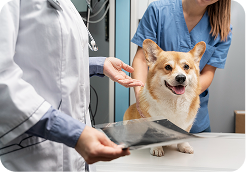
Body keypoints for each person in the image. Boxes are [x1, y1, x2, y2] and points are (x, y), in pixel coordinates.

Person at [0, 0, 144, 172]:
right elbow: (4, 80)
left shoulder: (66, 4)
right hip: (33, 155)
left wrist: (98, 64)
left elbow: (48, 61)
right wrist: (73, 132)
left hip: (74, 156)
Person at [131, 0, 232, 133]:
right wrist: (140, 96)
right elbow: (142, 60)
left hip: (192, 120)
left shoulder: (222, 29)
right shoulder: (158, 10)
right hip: (155, 113)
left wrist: (182, 96)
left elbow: (208, 73)